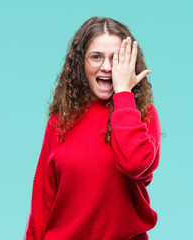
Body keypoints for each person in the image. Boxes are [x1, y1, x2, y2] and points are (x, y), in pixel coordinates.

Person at [23, 17, 161, 240]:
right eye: (96, 57)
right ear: (81, 63)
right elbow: (42, 201)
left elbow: (135, 164)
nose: (106, 67)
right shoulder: (59, 122)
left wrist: (124, 94)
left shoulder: (143, 115)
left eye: (116, 59)